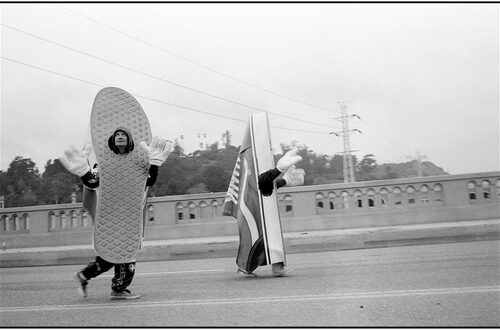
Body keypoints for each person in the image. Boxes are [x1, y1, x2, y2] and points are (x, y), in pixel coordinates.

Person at [60, 128, 171, 300]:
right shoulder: (103, 164)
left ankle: (85, 276)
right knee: (114, 254)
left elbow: (148, 181)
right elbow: (93, 181)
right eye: (117, 134)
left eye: (123, 134)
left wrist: (155, 164)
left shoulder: (138, 163)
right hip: (111, 217)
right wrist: (83, 172)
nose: (120, 136)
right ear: (113, 140)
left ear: (129, 140)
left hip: (130, 216)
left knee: (118, 254)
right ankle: (117, 288)